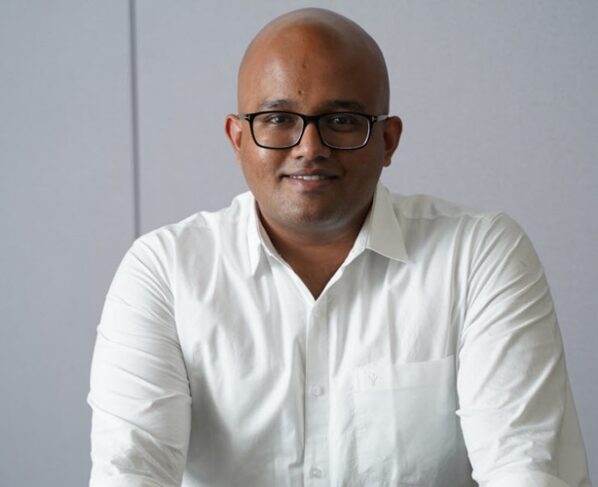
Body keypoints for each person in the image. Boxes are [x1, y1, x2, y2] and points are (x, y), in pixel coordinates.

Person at [87, 7, 591, 487]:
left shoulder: (478, 256)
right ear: (237, 139)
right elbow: (130, 471)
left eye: (343, 120)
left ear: (388, 140)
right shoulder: (165, 273)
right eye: (278, 119)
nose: (310, 147)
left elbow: (524, 468)